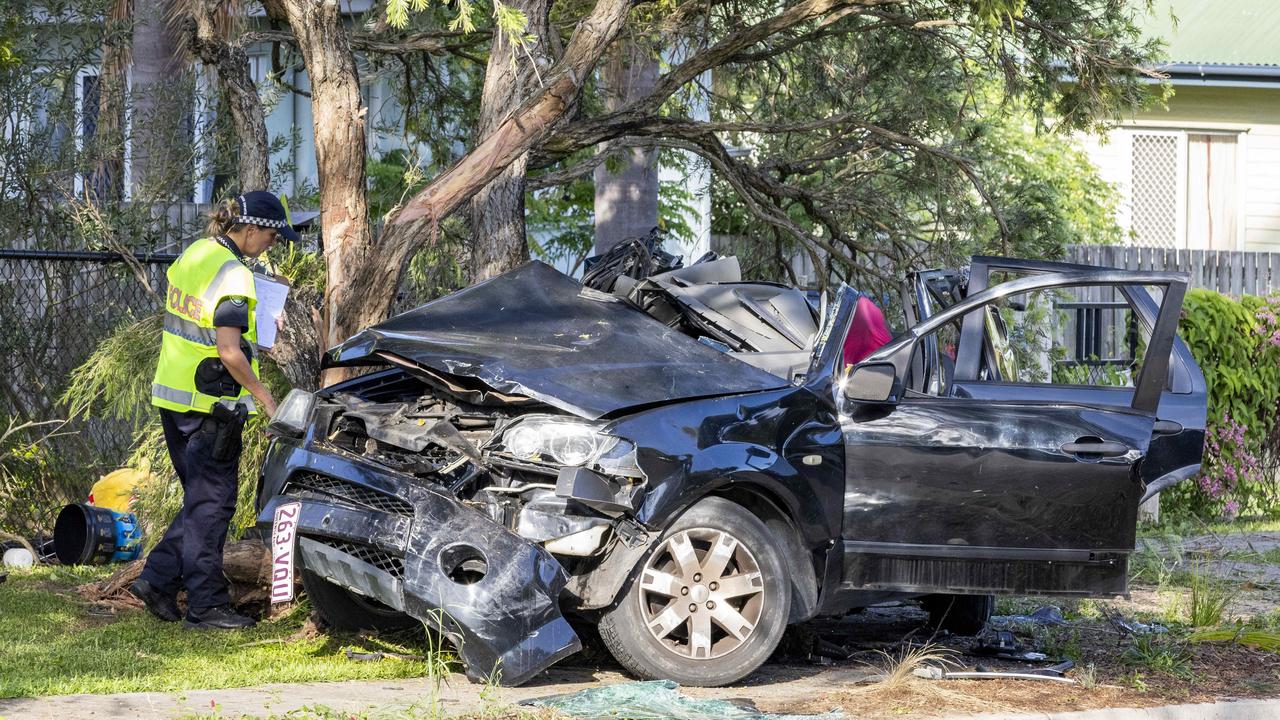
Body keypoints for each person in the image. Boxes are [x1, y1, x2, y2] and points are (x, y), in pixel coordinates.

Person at [130, 191, 299, 630]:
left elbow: (203, 327)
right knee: (214, 505)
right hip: (211, 408)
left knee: (200, 500)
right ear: (251, 229)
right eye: (273, 236)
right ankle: (206, 606)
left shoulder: (195, 254)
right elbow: (228, 351)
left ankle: (157, 580)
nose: (273, 245)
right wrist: (265, 399)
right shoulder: (235, 276)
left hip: (175, 397)